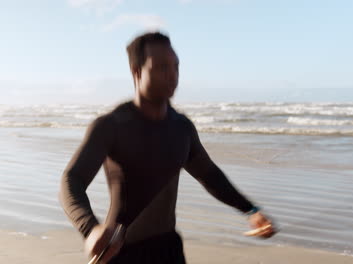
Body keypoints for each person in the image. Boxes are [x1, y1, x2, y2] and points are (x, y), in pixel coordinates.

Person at [59, 31, 277, 264]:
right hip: (120, 251)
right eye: (162, 67)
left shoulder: (181, 127)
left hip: (168, 250)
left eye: (176, 66)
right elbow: (72, 180)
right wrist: (90, 229)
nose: (172, 75)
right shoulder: (112, 126)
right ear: (136, 71)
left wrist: (251, 210)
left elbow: (210, 176)